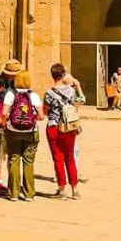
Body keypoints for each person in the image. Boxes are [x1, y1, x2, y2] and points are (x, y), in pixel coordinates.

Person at [2, 70, 44, 202]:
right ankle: (29, 194)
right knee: (28, 162)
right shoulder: (33, 95)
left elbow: (4, 112)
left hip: (13, 131)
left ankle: (14, 193)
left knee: (14, 160)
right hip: (30, 132)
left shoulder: (10, 94)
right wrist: (31, 118)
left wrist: (9, 121)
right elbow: (42, 116)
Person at [43, 63, 80, 200]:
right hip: (69, 126)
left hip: (54, 126)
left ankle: (61, 189)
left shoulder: (49, 92)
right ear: (64, 74)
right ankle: (75, 189)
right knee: (70, 158)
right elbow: (77, 103)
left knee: (58, 159)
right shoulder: (71, 90)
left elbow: (46, 110)